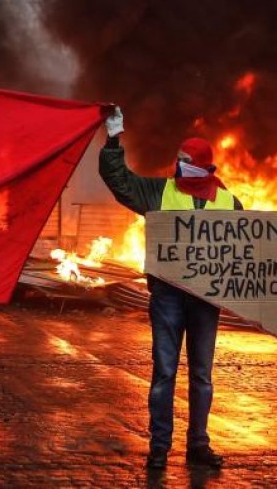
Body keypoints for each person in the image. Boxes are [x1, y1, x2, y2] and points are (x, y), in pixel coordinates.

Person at [99, 106, 242, 470]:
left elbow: (246, 250)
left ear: (204, 165)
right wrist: (113, 140)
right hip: (167, 296)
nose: (179, 166)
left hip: (205, 300)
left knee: (202, 375)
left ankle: (198, 444)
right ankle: (159, 447)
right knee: (164, 372)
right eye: (178, 160)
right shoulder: (159, 191)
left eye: (186, 161)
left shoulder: (229, 203)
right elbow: (121, 181)